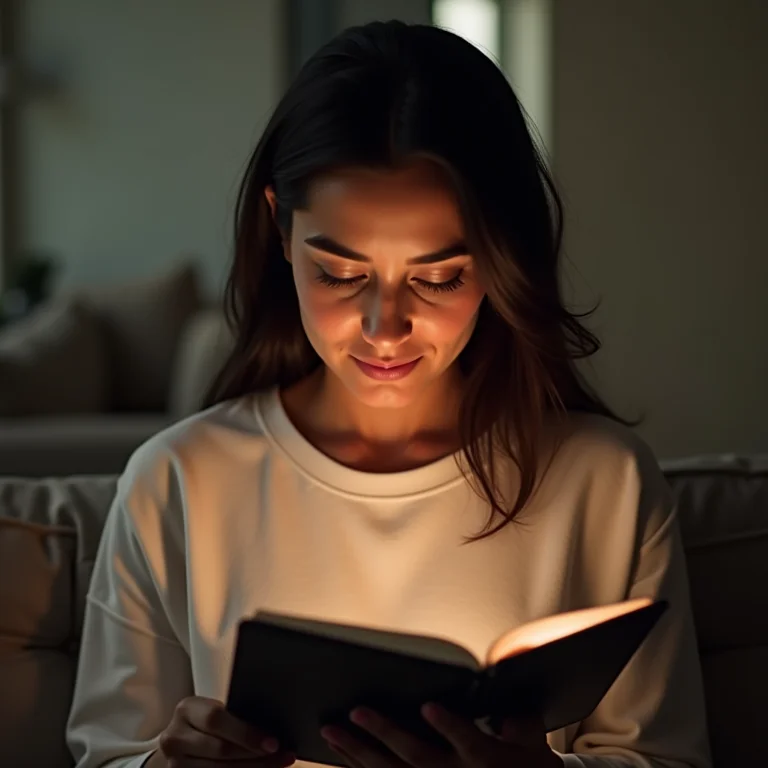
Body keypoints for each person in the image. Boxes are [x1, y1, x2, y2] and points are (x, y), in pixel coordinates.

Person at [66, 20, 712, 768]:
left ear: (500, 259)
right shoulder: (176, 481)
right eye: (341, 274)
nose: (384, 328)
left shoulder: (606, 483)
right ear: (280, 225)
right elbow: (108, 752)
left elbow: (667, 758)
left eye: (439, 279)